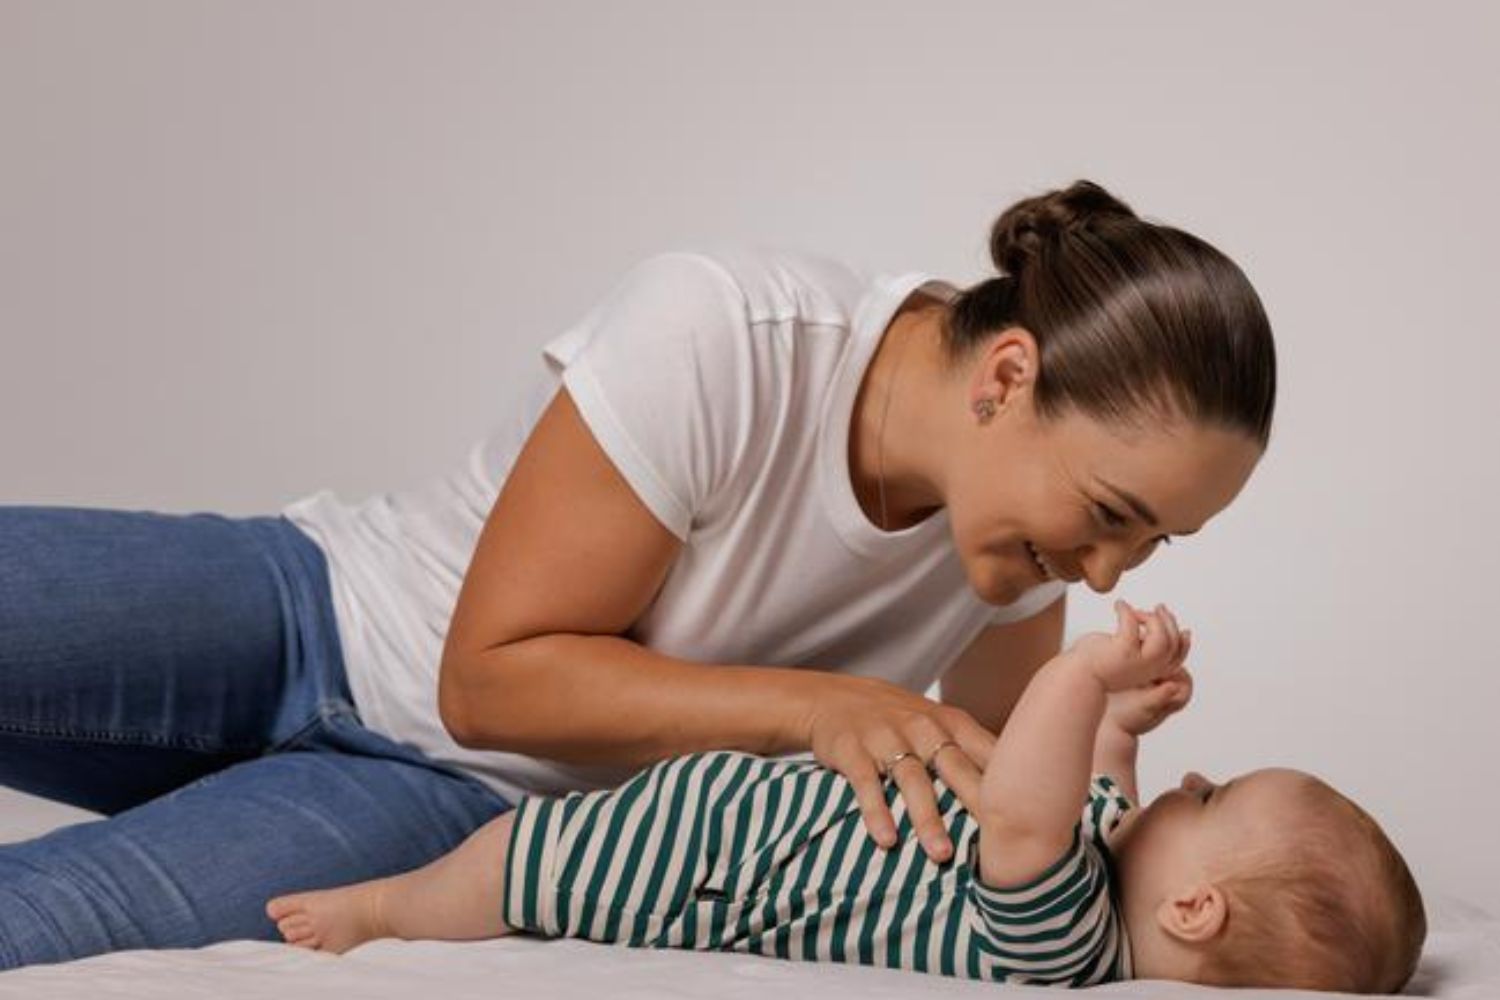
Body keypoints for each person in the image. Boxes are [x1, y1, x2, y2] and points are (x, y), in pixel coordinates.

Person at [0, 179, 1277, 969]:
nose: (1108, 570)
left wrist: (1098, 740)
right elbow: (486, 680)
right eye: (1110, 512)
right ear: (1007, 377)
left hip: (462, 812)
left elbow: (996, 838)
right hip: (311, 607)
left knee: (44, 923)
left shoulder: (1022, 555)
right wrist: (816, 706)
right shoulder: (726, 331)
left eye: (1155, 541)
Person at [264, 601, 1426, 993]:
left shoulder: (1061, 943)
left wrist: (1078, 677)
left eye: (1210, 795)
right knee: (531, 837)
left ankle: (384, 910)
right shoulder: (1104, 867)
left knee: (522, 856)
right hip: (737, 809)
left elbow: (1026, 807)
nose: (1185, 778)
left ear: (1193, 912)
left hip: (708, 866)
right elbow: (1097, 794)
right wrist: (1125, 722)